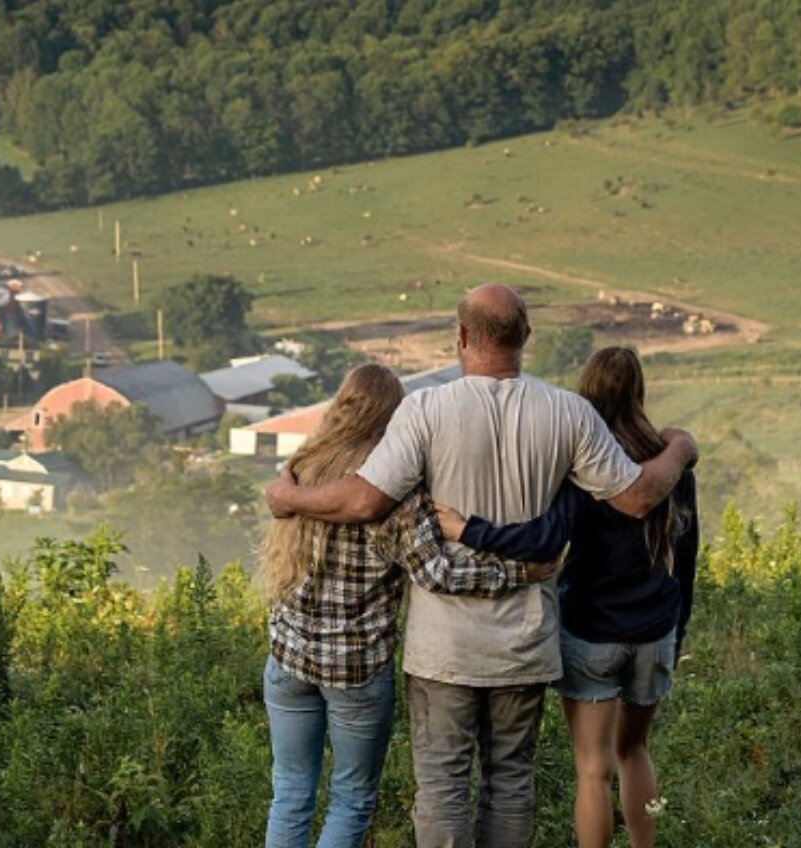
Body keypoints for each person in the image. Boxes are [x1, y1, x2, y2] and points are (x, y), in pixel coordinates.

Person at [266, 284, 698, 848]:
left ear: (462, 337)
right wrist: (678, 451)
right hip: (524, 643)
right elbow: (638, 498)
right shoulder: (569, 413)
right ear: (525, 338)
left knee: (443, 783)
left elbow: (365, 500)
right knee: (510, 781)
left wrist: (289, 498)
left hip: (444, 646)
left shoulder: (425, 410)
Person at [260, 363, 556, 848]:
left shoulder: (300, 470)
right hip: (355, 667)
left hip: (287, 659)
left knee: (290, 791)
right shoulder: (393, 492)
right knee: (351, 797)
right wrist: (518, 571)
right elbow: (438, 572)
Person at [436, 346, 698, 848]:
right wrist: (676, 631)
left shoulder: (582, 465)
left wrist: (469, 529)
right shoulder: (672, 468)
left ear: (587, 393)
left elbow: (542, 539)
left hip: (592, 630)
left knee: (592, 770)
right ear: (639, 391)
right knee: (635, 750)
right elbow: (686, 562)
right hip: (654, 630)